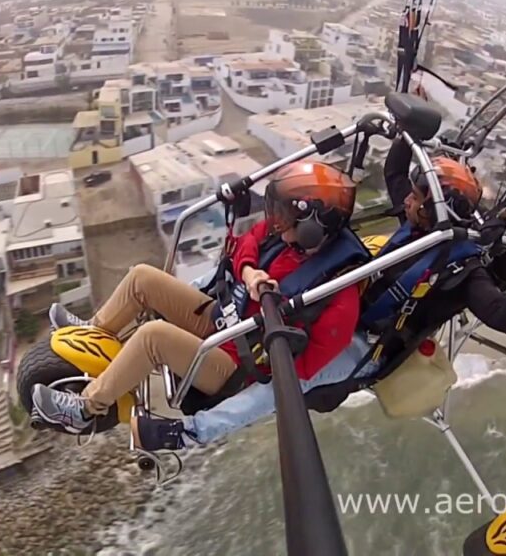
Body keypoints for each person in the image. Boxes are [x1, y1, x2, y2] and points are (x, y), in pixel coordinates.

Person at [129, 155, 506, 451]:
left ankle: (188, 435)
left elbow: (505, 317)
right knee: (236, 283)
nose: (407, 199)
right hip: (342, 307)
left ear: (433, 210)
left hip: (366, 345)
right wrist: (406, 116)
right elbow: (395, 173)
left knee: (285, 381)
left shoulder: (465, 273)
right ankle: (161, 328)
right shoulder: (421, 223)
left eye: (417, 197)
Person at [30, 161, 363, 434]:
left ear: (310, 228)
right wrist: (249, 272)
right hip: (223, 317)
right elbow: (247, 242)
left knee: (152, 336)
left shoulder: (339, 297)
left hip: (233, 364)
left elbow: (299, 374)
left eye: (285, 216)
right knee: (142, 277)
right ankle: (95, 332)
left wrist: (275, 324)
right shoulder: (284, 238)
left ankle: (85, 409)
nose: (275, 221)